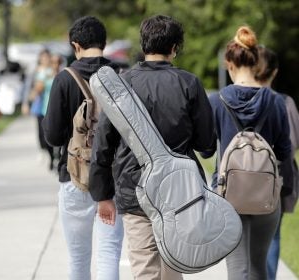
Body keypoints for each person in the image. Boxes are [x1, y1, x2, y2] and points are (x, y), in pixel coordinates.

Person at [89, 15, 216, 280]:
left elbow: (103, 144)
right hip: (180, 190)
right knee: (173, 264)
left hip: (134, 188)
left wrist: (102, 194)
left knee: (145, 267)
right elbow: (206, 144)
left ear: (143, 45)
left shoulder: (122, 84)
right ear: (175, 48)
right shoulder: (188, 84)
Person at [202, 26, 291, 279]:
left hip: (229, 195)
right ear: (255, 62)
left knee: (237, 269)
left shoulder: (217, 101)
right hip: (266, 195)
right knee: (259, 268)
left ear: (229, 64)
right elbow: (284, 152)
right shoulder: (275, 102)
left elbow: (207, 151)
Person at [42, 16, 124, 280]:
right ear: (104, 42)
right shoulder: (121, 75)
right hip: (113, 180)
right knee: (109, 252)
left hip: (75, 178)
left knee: (78, 258)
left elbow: (53, 136)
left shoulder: (64, 80)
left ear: (75, 45)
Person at [254, 46, 299, 280]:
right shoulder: (284, 102)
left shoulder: (241, 99)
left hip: (244, 180)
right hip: (277, 181)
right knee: (272, 237)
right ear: (275, 72)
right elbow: (292, 143)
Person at [29, 49, 55, 170]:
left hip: (52, 107)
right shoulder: (37, 72)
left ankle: (52, 158)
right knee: (41, 133)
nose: (45, 60)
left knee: (50, 133)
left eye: (47, 57)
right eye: (43, 58)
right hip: (40, 107)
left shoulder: (54, 70)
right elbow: (32, 89)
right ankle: (45, 152)